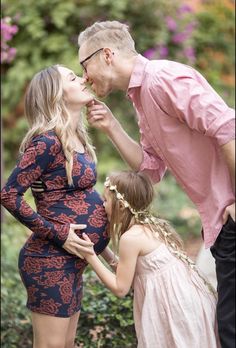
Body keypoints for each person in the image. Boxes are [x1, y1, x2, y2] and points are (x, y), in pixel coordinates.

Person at [78, 20, 235, 347]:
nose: (84, 74)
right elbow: (150, 170)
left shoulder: (162, 79)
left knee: (230, 326)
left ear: (107, 54)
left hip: (230, 213)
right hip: (219, 221)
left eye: (84, 63)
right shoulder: (141, 97)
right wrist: (110, 126)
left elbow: (228, 128)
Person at [0, 65, 117, 348]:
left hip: (74, 261)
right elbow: (8, 195)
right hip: (48, 261)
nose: (83, 79)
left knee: (67, 344)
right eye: (73, 77)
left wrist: (109, 255)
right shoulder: (46, 142)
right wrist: (58, 234)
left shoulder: (78, 139)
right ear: (56, 94)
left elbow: (78, 203)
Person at [80, 170, 220, 348]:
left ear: (121, 205)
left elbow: (120, 288)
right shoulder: (149, 226)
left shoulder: (131, 238)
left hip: (174, 308)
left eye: (106, 200)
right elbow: (126, 271)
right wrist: (100, 249)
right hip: (187, 300)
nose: (102, 205)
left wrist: (89, 256)